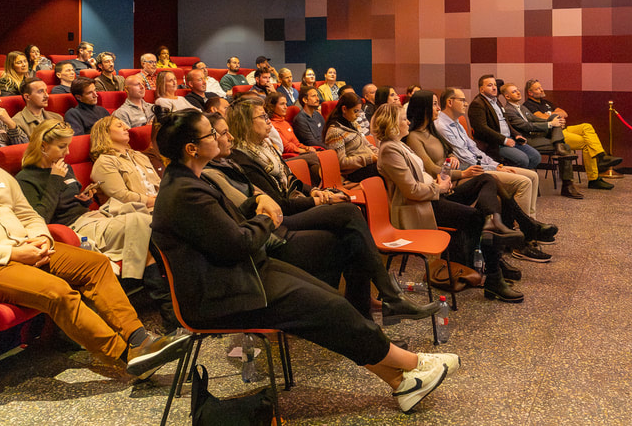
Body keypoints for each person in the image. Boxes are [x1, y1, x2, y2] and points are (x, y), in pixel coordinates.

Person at [150, 108, 459, 413]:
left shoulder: (190, 181)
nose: (220, 136)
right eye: (211, 133)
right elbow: (236, 243)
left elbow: (227, 226)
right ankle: (413, 363)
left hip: (239, 276)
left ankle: (402, 382)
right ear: (192, 149)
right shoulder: (185, 192)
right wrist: (263, 217)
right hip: (222, 295)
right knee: (330, 307)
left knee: (329, 299)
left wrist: (256, 203)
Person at [0, 111, 186, 376]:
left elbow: (27, 213)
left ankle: (140, 338)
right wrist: (13, 253)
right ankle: (125, 355)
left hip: (28, 247)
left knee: (96, 265)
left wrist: (41, 237)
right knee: (58, 291)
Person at [209, 105, 438, 322]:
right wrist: (318, 199)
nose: (268, 122)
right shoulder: (243, 158)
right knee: (348, 213)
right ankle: (388, 296)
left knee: (352, 235)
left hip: (293, 208)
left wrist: (319, 191)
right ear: (245, 123)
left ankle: (365, 311)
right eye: (262, 117)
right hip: (281, 222)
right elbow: (279, 204)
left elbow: (294, 183)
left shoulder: (266, 148)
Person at [375, 103, 525, 302]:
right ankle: (494, 271)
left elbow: (422, 176)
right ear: (392, 124)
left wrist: (441, 181)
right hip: (419, 207)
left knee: (487, 180)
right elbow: (411, 191)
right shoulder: (390, 151)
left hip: (432, 196)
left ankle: (493, 228)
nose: (408, 122)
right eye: (403, 119)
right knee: (476, 216)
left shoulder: (400, 144)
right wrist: (440, 188)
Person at [405, 89, 557, 251]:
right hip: (444, 186)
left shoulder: (432, 131)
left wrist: (452, 156)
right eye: (434, 104)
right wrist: (463, 173)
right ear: (424, 107)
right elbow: (432, 168)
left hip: (453, 177)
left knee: (497, 181)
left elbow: (452, 150)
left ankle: (519, 227)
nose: (438, 108)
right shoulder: (415, 136)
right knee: (496, 181)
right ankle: (523, 230)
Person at [16, 120, 154, 282]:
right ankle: (139, 279)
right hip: (73, 228)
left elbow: (70, 202)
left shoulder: (64, 168)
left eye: (68, 146)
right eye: (62, 147)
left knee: (146, 215)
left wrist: (84, 200)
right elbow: (39, 218)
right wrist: (54, 180)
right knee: (141, 220)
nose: (67, 152)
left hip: (92, 217)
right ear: (43, 146)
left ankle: (156, 280)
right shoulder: (26, 178)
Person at [433, 88, 545, 231]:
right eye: (462, 100)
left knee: (533, 176)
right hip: (469, 171)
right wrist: (494, 168)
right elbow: (465, 158)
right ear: (450, 102)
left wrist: (497, 166)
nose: (466, 104)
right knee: (524, 182)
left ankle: (531, 223)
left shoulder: (457, 124)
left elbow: (474, 149)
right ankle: (523, 233)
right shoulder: (442, 126)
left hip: (480, 166)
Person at [522, 79, 622, 190]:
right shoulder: (528, 105)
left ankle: (602, 157)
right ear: (530, 93)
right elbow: (542, 118)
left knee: (587, 126)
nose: (541, 90)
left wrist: (552, 116)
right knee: (587, 143)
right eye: (537, 88)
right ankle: (594, 178)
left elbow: (564, 113)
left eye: (541, 87)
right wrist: (554, 117)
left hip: (563, 129)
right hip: (553, 135)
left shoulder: (546, 103)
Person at [499, 82, 580, 198]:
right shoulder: (509, 110)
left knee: (554, 117)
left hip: (537, 135)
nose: (518, 92)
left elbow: (535, 119)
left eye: (517, 90)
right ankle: (567, 186)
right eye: (514, 91)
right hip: (527, 139)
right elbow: (526, 126)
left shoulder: (521, 107)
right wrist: (550, 125)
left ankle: (558, 145)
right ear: (507, 96)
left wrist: (553, 122)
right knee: (565, 147)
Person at [468, 74, 543, 173]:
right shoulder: (477, 104)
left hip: (510, 139)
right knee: (523, 159)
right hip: (495, 144)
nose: (494, 88)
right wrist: (504, 140)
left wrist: (516, 135)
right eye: (490, 85)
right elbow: (482, 128)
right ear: (482, 89)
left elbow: (506, 122)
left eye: (495, 85)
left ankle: (519, 178)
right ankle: (514, 181)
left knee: (536, 157)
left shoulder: (496, 101)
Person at [90, 116, 160, 209]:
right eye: (119, 126)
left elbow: (159, 184)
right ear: (105, 133)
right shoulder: (105, 162)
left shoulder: (139, 156)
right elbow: (121, 197)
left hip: (159, 206)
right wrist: (156, 201)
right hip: (136, 212)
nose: (127, 128)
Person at [266, 91, 322, 185]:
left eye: (286, 104)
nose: (285, 107)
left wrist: (306, 148)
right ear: (272, 107)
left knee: (315, 164)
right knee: (315, 156)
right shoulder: (272, 126)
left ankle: (320, 187)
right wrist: (306, 151)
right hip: (288, 157)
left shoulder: (285, 123)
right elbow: (286, 147)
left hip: (298, 154)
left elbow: (296, 143)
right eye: (282, 104)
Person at [323, 92, 379, 184]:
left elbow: (367, 145)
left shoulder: (353, 124)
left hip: (367, 166)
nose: (358, 115)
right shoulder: (335, 132)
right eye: (355, 111)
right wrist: (369, 158)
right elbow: (341, 163)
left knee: (390, 163)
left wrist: (379, 154)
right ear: (344, 109)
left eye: (359, 111)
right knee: (387, 170)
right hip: (353, 172)